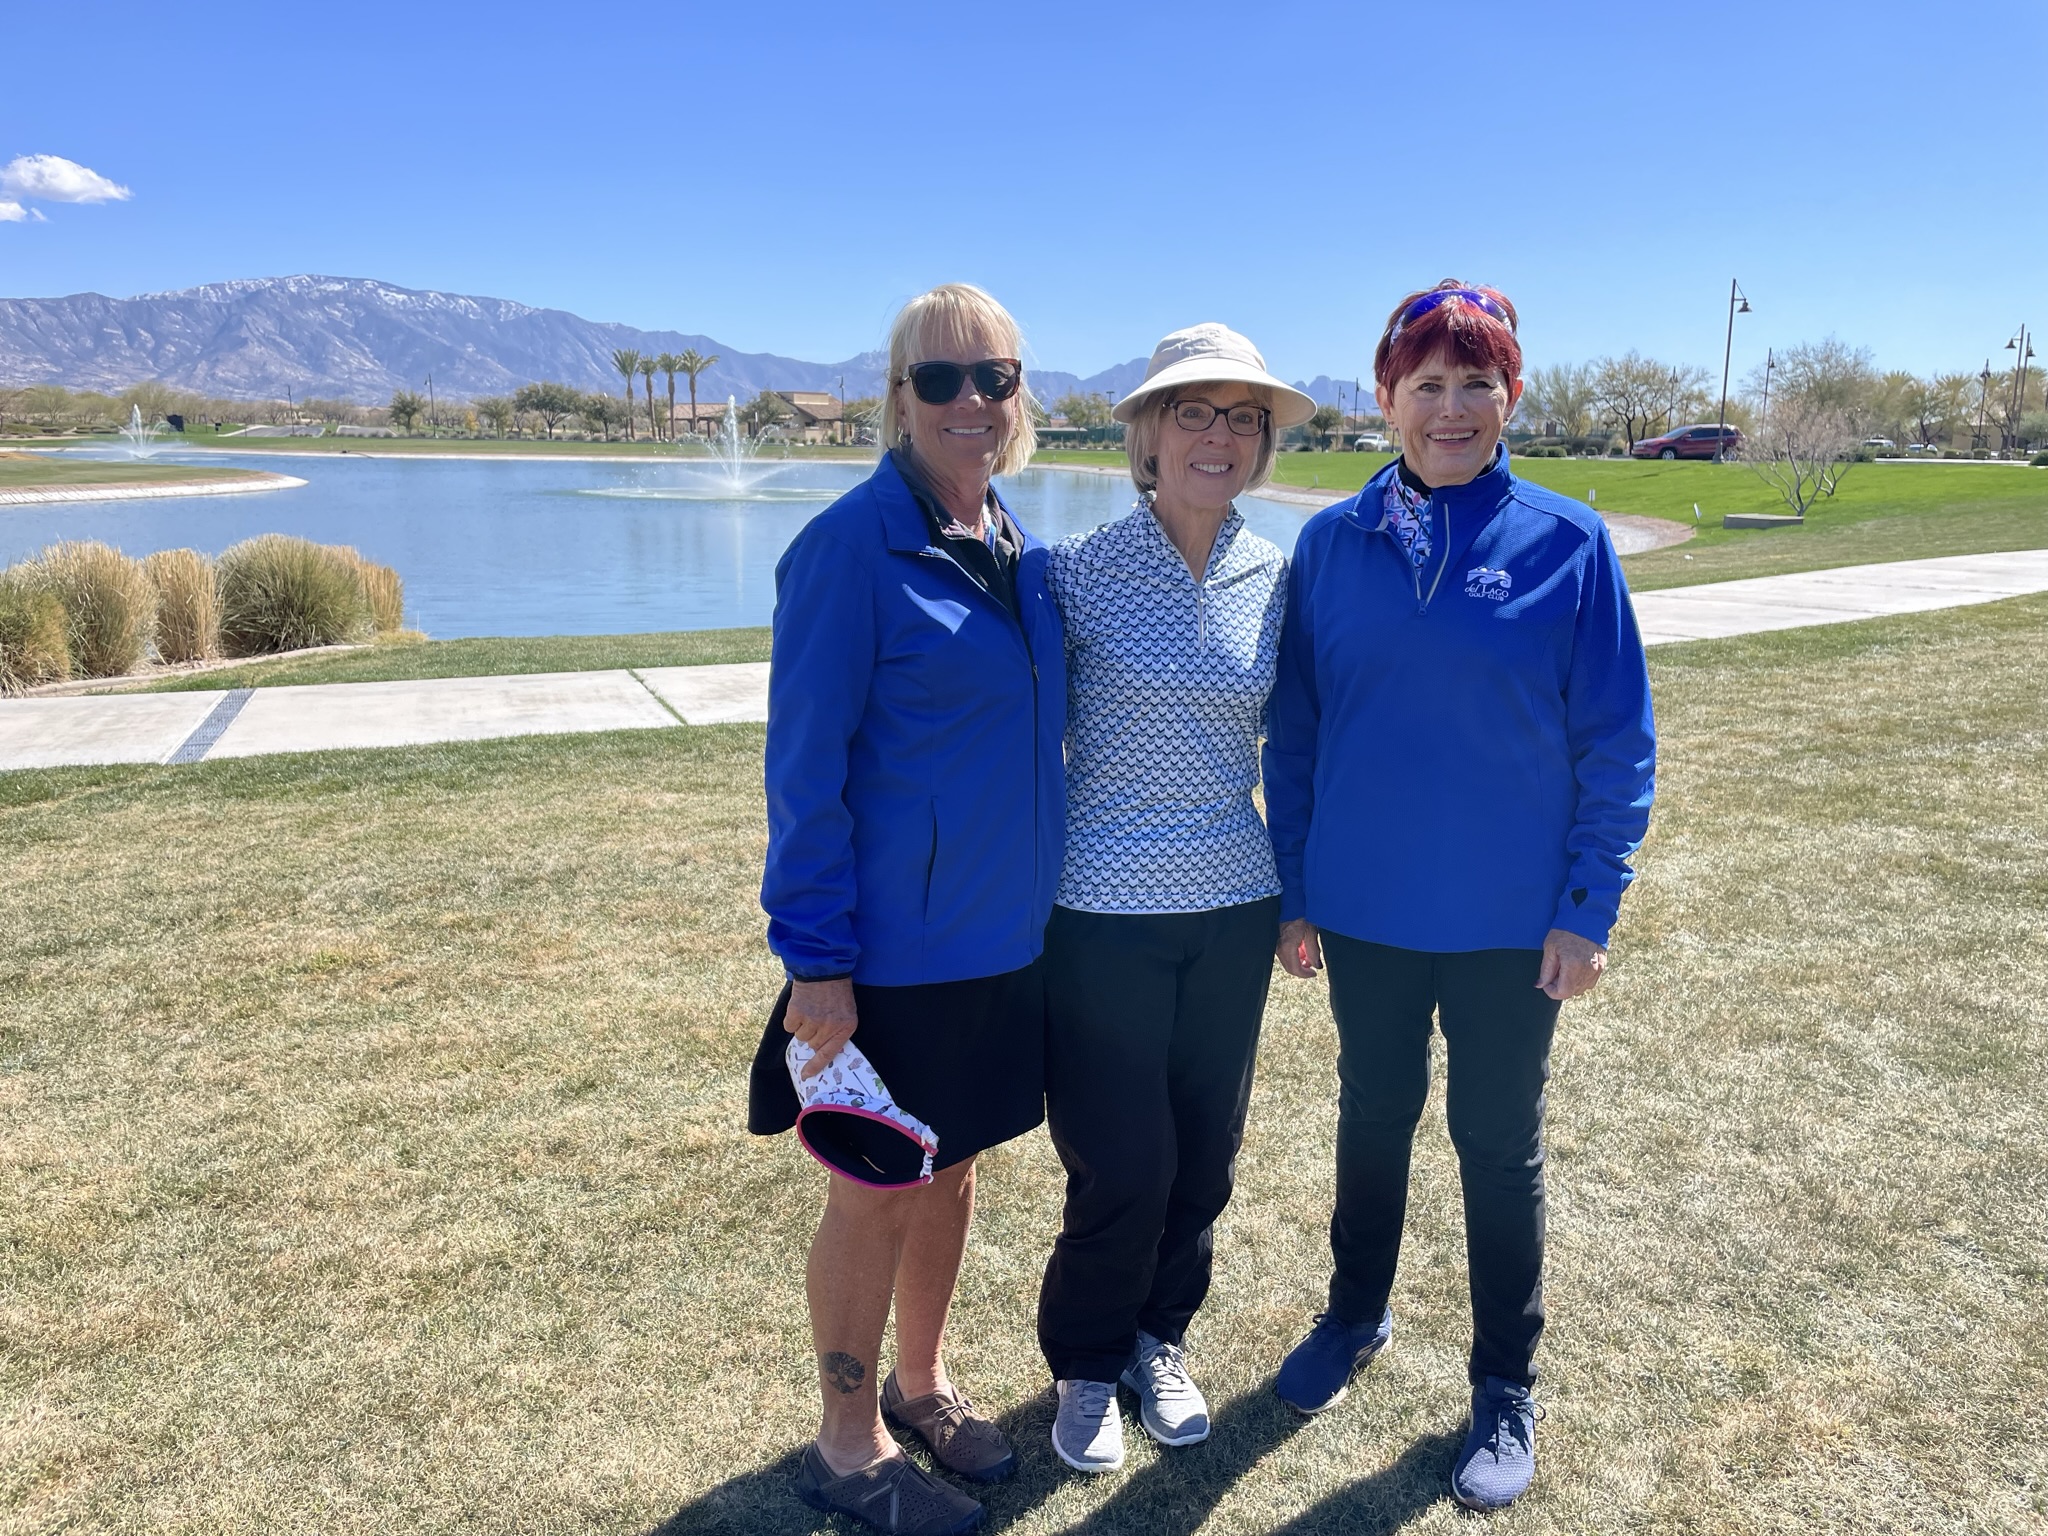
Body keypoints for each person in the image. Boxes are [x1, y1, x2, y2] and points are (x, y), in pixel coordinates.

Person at [1263, 281, 1656, 1511]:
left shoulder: (1565, 541)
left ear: (1509, 397)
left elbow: (1616, 740)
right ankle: (1353, 1314)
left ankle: (1502, 1386)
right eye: (1422, 384)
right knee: (1371, 1115)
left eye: (1472, 383)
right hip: (1366, 912)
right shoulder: (1331, 545)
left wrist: (1585, 909)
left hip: (1507, 926)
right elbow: (1297, 735)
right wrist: (1294, 892)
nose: (1447, 408)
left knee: (1494, 1145)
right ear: (1382, 398)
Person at [750, 283, 1066, 1536]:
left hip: (1002, 948)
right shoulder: (845, 552)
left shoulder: (1016, 551)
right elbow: (803, 775)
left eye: (994, 377)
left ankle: (922, 1385)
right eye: (940, 380)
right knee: (874, 1190)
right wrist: (815, 963)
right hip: (885, 960)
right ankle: (845, 1443)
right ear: (898, 398)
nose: (970, 401)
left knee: (954, 1173)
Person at [1034, 324, 1314, 1474]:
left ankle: (1160, 1338)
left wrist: (1301, 895)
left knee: (1203, 1156)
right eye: (1193, 412)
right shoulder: (1074, 573)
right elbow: (1009, 739)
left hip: (1233, 906)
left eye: (1240, 418)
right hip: (1098, 912)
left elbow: (1296, 747)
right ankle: (1086, 1365)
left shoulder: (1275, 576)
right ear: (1146, 435)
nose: (1219, 435)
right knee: (1122, 1161)